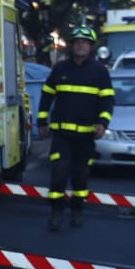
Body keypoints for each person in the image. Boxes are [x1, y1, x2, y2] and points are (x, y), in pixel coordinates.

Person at [36, 25, 114, 231]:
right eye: (77, 41)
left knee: (80, 177)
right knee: (58, 175)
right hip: (61, 136)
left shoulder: (99, 72)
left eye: (84, 42)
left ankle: (78, 211)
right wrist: (41, 122)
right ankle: (56, 212)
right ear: (71, 46)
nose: (80, 45)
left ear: (91, 46)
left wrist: (103, 123)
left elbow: (107, 101)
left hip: (86, 138)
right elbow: (46, 96)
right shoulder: (59, 69)